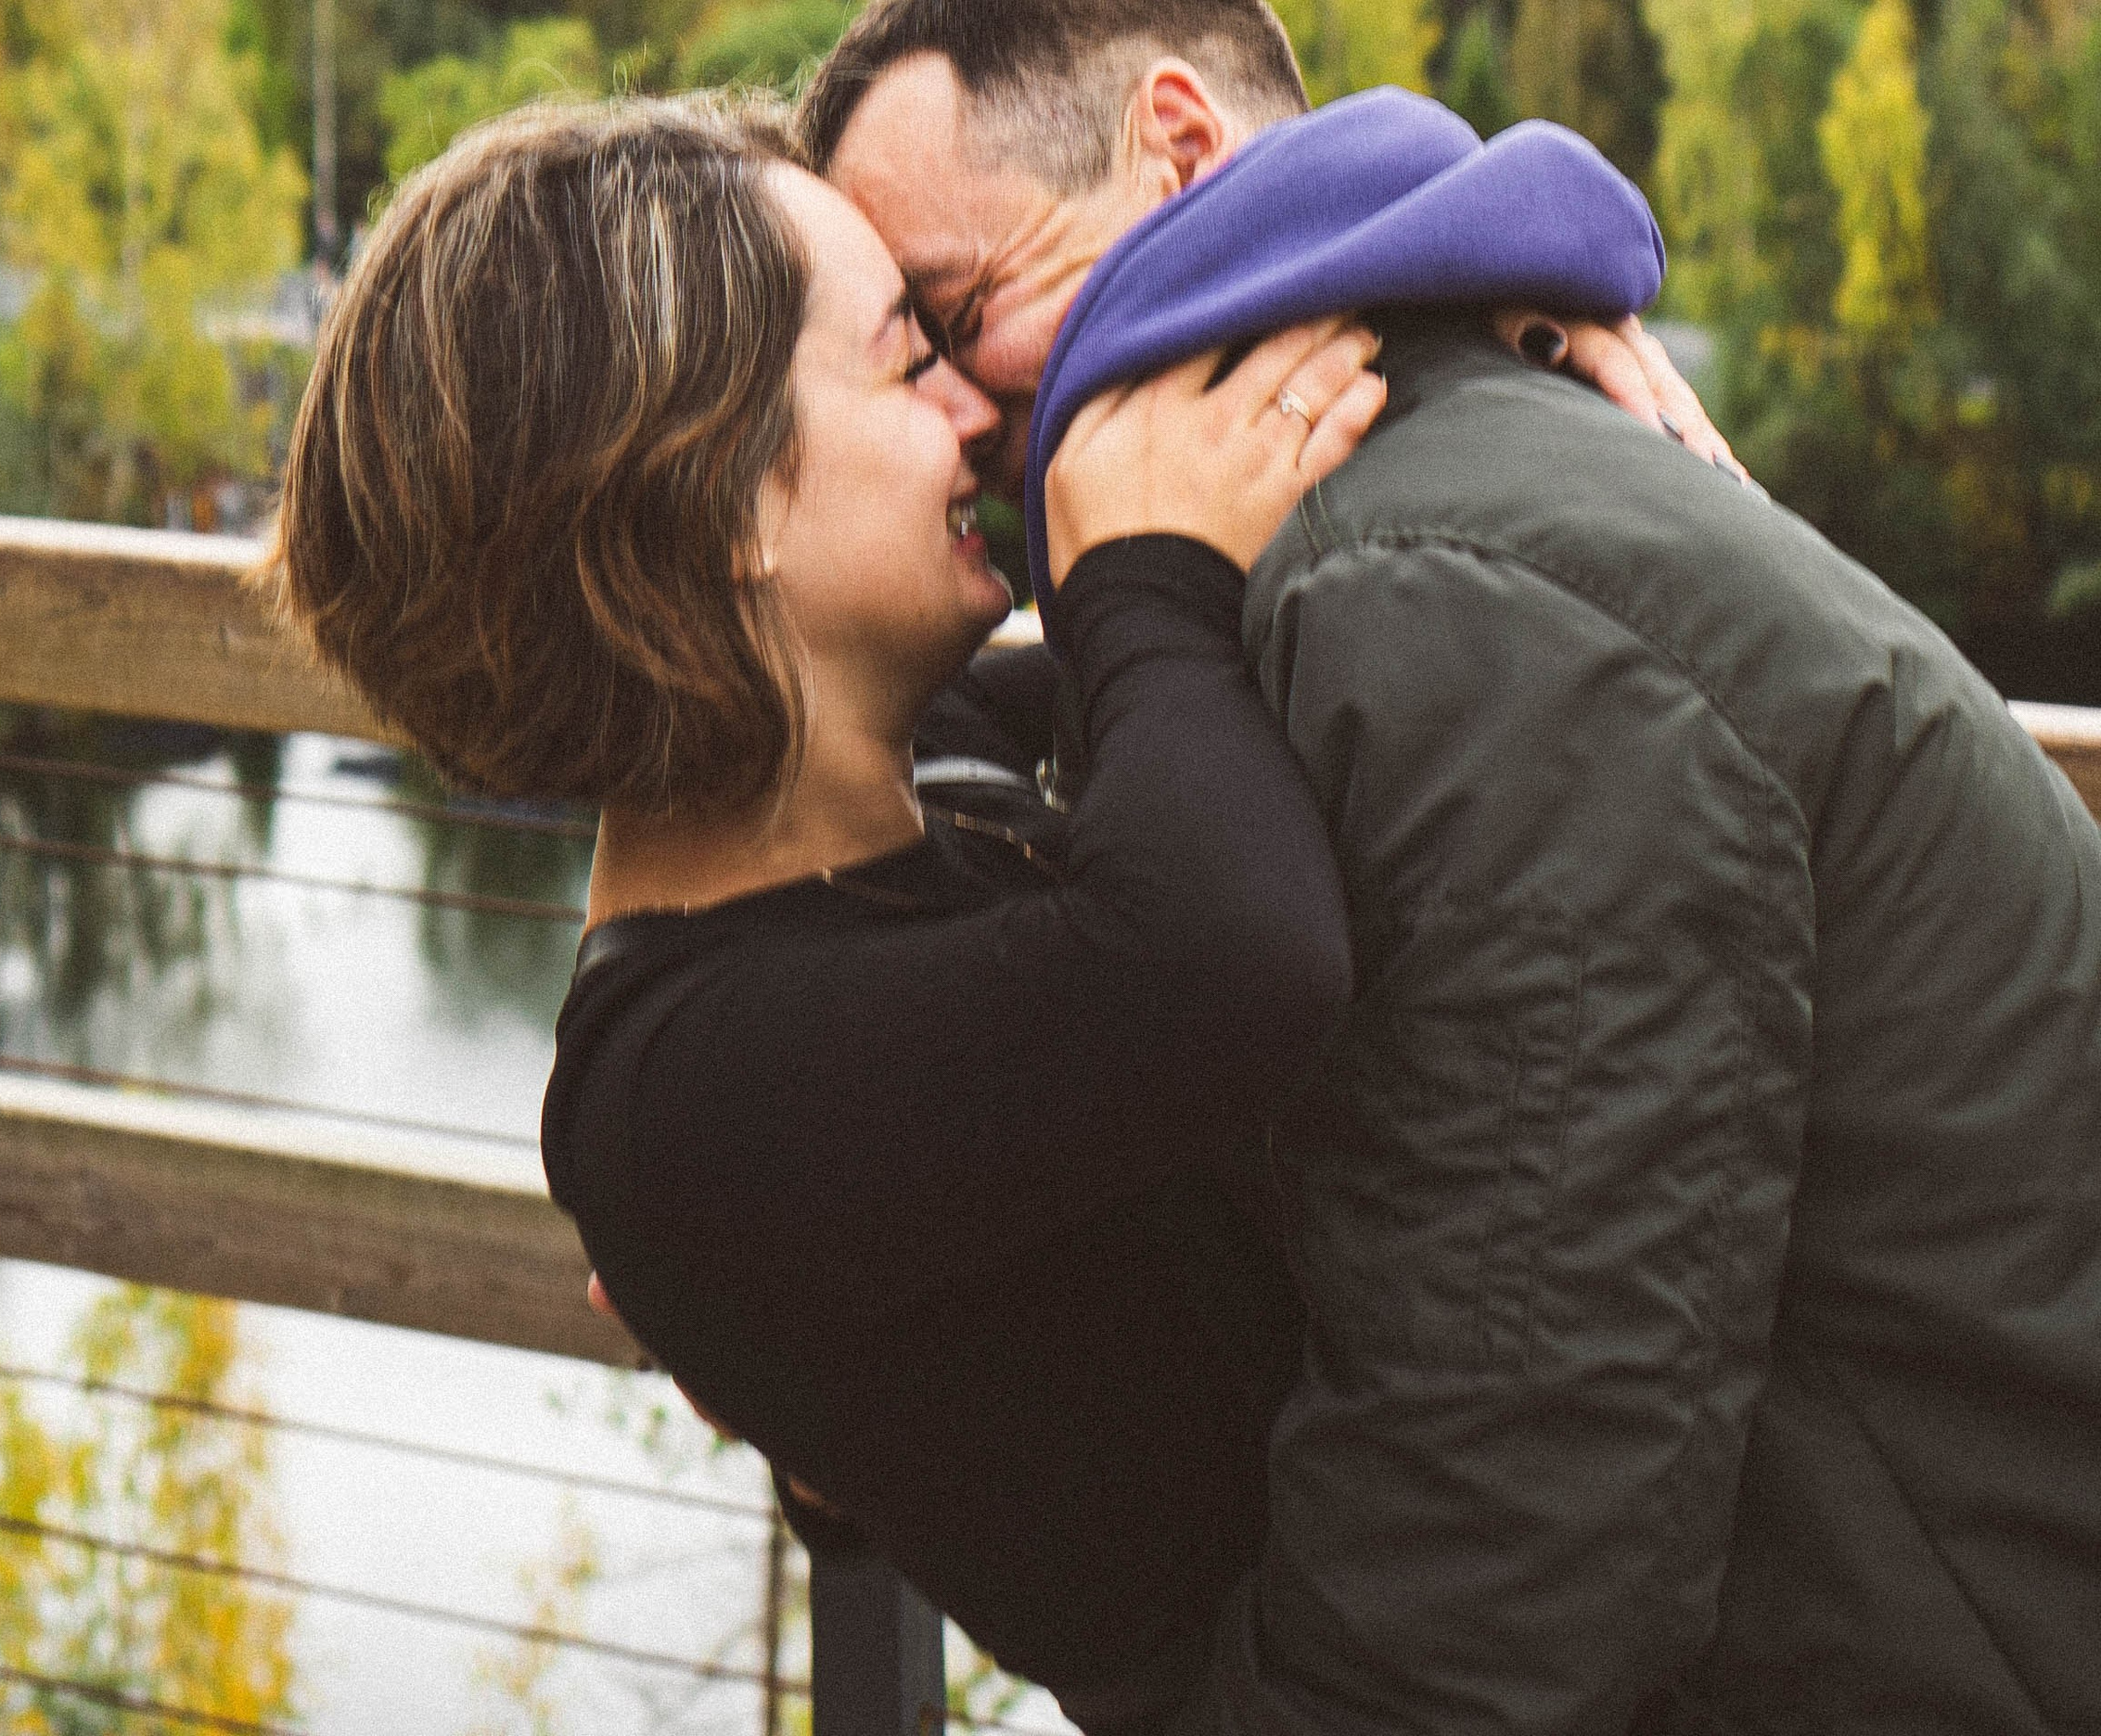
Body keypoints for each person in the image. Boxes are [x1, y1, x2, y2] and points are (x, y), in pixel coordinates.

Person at [803, 0, 2101, 1736]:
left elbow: (1515, 1477)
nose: (946, 414)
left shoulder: (1430, 588)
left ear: (1176, 142)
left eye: (953, 312)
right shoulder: (1378, 519)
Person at [263, 91, 1692, 1730]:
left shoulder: (896, 773)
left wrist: (1500, 346)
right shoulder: (689, 1096)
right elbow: (1225, 953)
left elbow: (1183, 758)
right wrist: (1138, 578)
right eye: (905, 356)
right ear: (726, 502)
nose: (977, 410)